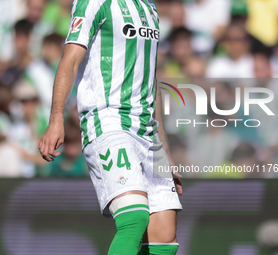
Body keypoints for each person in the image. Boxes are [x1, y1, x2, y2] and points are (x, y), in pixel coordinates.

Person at [39, 1, 182, 254]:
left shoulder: (149, 7)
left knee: (164, 234)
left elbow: (151, 78)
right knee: (134, 218)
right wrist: (56, 118)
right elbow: (69, 60)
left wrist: (166, 150)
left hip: (147, 130)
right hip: (108, 121)